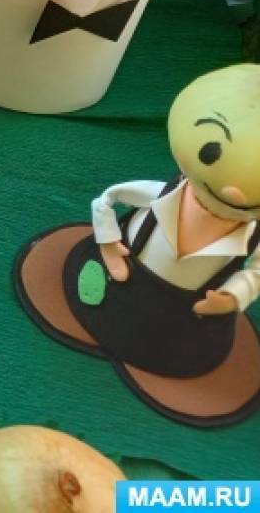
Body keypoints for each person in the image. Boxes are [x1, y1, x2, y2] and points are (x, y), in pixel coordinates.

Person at [16, 63, 260, 426]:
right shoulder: (161, 194)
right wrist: (109, 243)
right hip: (122, 273)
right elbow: (107, 200)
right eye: (211, 150)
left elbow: (255, 273)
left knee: (172, 349)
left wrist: (232, 297)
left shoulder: (252, 237)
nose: (233, 191)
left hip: (185, 315)